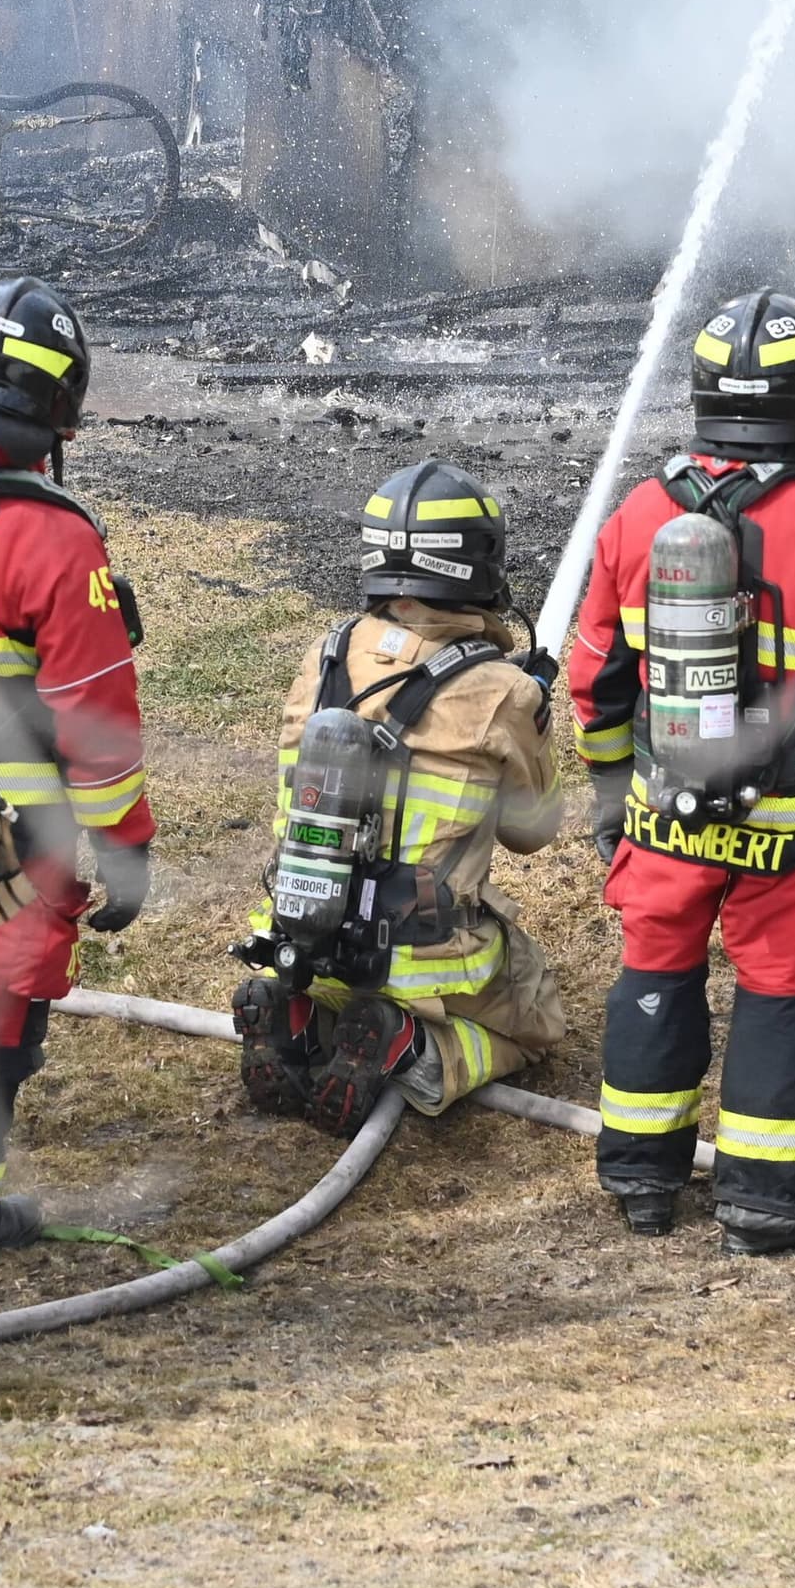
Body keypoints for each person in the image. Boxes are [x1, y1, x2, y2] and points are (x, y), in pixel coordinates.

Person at [565, 287, 795, 1255]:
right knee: (783, 991)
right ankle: (765, 1198)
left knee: (656, 971)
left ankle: (640, 1173)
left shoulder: (641, 513)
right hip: (794, 829)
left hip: (665, 814)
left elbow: (596, 673)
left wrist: (612, 796)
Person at [0, 277, 156, 1259]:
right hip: (9, 827)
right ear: (61, 407)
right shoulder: (54, 539)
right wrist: (125, 847)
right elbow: (97, 725)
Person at [235, 459, 568, 1133]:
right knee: (538, 1021)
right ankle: (411, 1045)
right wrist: (530, 713)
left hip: (299, 932)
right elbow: (534, 831)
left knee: (329, 995)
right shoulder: (504, 690)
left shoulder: (323, 653)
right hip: (417, 961)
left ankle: (298, 1014)